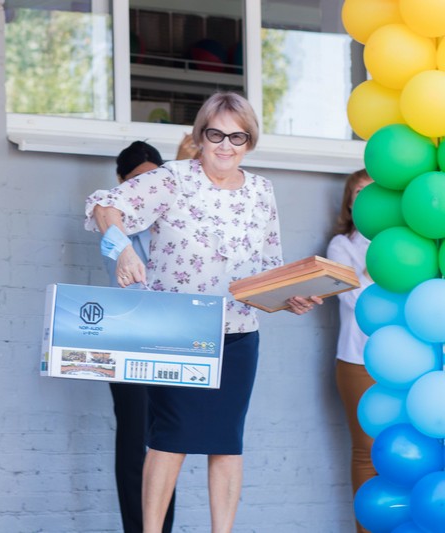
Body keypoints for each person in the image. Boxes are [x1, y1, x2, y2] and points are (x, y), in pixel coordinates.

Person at [85, 91, 320, 533]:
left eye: (237, 136)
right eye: (216, 134)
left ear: (250, 141)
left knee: (227, 443)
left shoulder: (261, 191)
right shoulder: (172, 178)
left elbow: (268, 268)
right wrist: (122, 251)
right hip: (175, 329)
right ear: (201, 136)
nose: (226, 145)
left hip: (239, 333)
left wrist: (290, 298)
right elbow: (104, 206)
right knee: (169, 439)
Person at [105, 141, 176, 533]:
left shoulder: (174, 219)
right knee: (134, 443)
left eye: (153, 180)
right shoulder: (116, 228)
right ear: (121, 182)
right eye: (136, 181)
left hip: (170, 342)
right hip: (128, 341)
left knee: (167, 445)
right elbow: (136, 279)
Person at [325, 169, 375, 533]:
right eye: (360, 193)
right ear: (349, 203)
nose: (368, 200)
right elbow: (359, 300)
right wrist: (387, 264)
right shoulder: (341, 246)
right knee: (367, 451)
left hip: (410, 366)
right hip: (358, 363)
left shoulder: (413, 243)